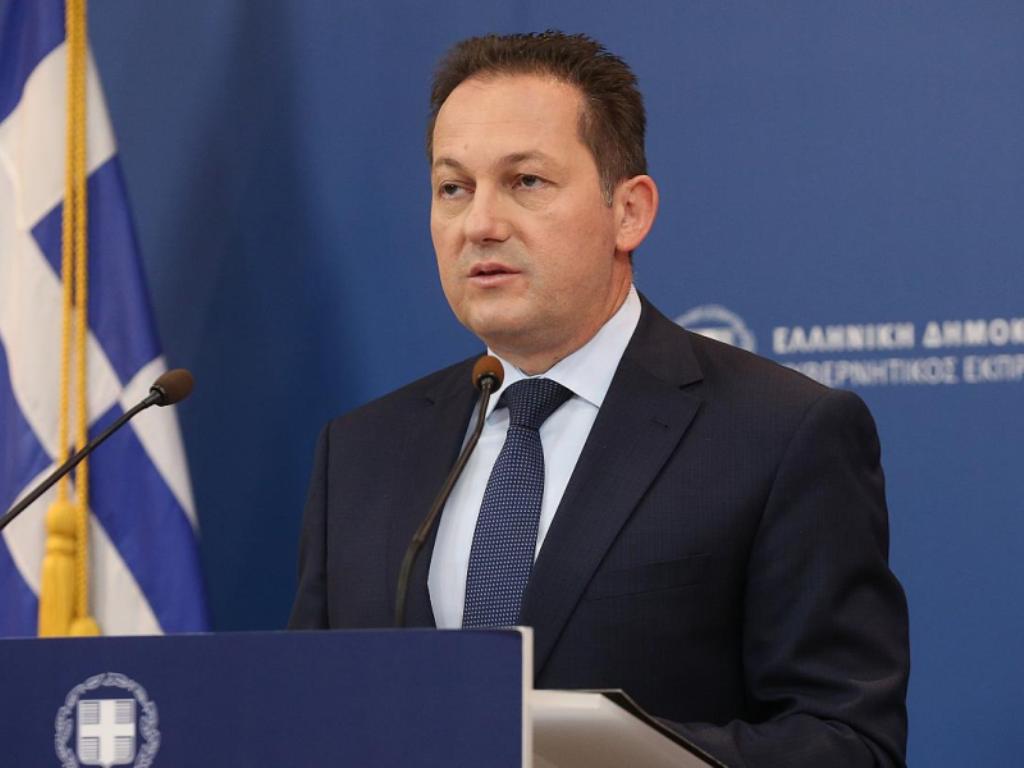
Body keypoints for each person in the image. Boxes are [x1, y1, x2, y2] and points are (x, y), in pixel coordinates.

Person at [290, 31, 909, 767]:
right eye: (453, 188)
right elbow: (308, 712)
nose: (479, 224)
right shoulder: (361, 452)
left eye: (526, 181)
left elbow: (849, 743)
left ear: (630, 212)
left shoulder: (779, 434)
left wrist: (600, 752)